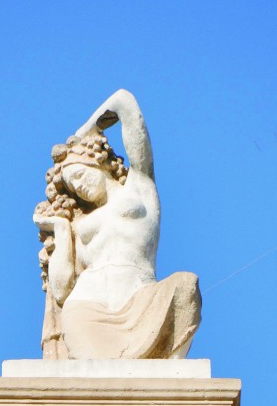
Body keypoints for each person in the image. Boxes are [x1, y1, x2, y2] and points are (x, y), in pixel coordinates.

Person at [33, 89, 201, 360]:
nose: (79, 185)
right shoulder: (79, 225)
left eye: (79, 174)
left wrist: (88, 129)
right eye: (72, 185)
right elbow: (62, 289)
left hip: (142, 300)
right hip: (86, 309)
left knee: (185, 286)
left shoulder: (139, 187)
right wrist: (61, 229)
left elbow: (124, 101)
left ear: (99, 163)